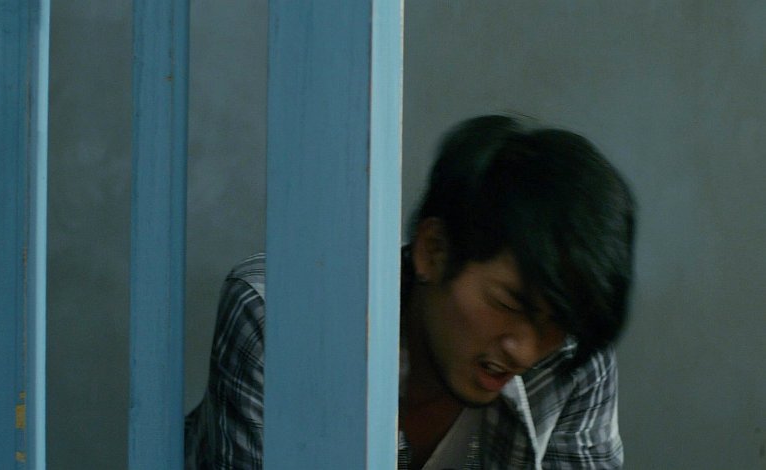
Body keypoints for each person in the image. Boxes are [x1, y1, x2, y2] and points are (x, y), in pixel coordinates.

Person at [185, 115, 636, 469]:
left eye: (554, 323)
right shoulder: (280, 317)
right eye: (506, 304)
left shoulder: (573, 355)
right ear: (432, 251)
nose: (524, 350)